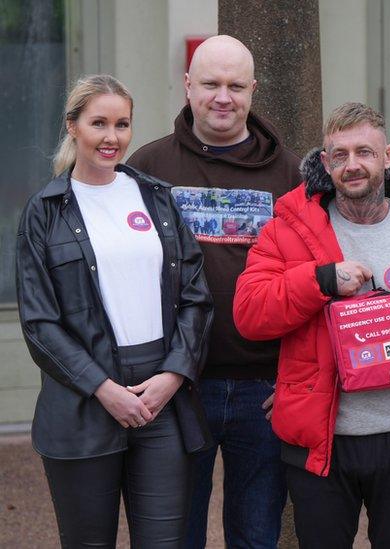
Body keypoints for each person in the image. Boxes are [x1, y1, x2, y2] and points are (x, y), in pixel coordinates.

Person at [233, 102, 390, 548]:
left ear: (389, 156)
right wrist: (320, 280)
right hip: (323, 442)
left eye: (364, 152)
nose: (352, 165)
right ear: (325, 162)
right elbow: (251, 313)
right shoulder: (289, 230)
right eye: (339, 155)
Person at [16, 74, 213, 547]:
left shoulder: (157, 198)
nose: (112, 137)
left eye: (122, 124)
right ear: (73, 127)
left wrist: (172, 376)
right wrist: (105, 390)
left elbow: (195, 297)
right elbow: (40, 324)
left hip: (159, 398)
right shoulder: (44, 211)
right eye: (98, 123)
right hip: (84, 400)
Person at [127, 35, 302, 548]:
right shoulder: (148, 167)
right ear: (187, 86)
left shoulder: (289, 173)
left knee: (255, 537)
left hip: (264, 391)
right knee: (176, 536)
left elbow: (307, 279)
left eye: (235, 85)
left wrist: (294, 378)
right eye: (210, 84)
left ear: (253, 90)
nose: (222, 97)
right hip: (178, 387)